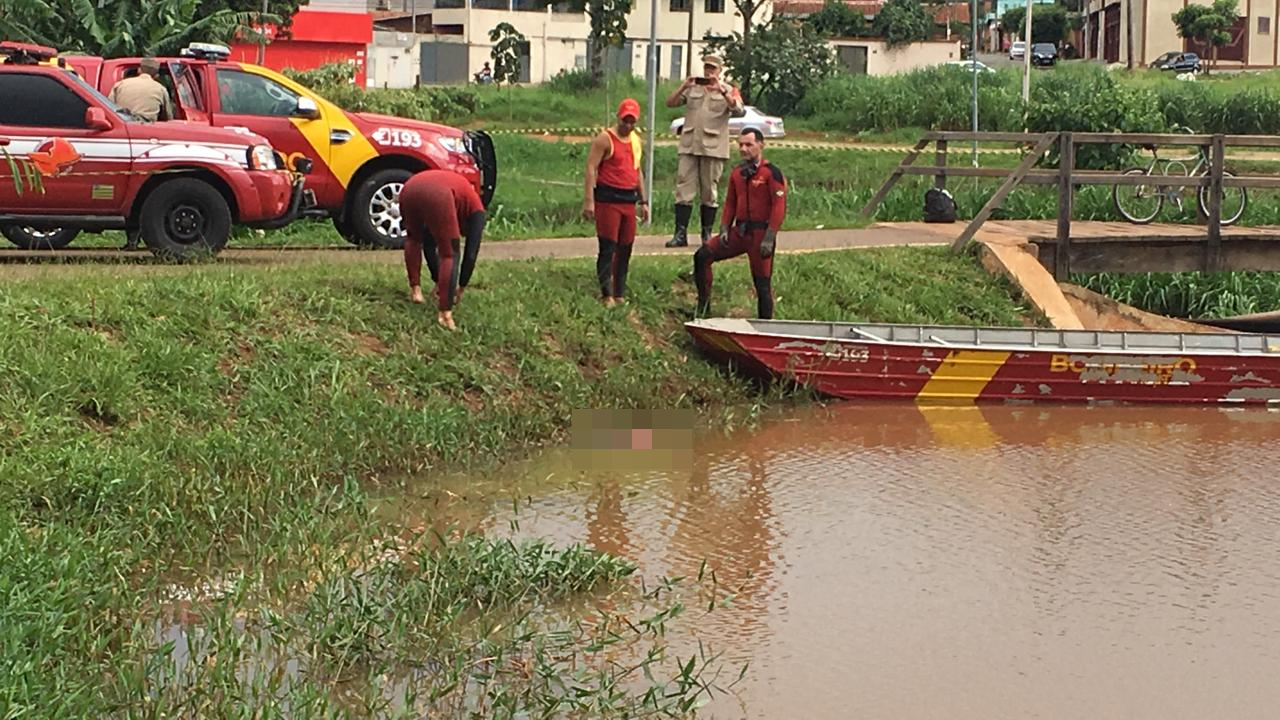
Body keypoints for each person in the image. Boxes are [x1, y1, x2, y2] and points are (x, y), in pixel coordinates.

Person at [694, 128, 786, 320]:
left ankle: (764, 328)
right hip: (740, 232)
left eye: (749, 144)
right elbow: (730, 203)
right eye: (740, 144)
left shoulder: (771, 173)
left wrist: (770, 237)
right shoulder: (737, 173)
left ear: (761, 145)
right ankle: (703, 308)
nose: (743, 149)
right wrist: (725, 228)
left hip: (761, 234)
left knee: (762, 284)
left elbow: (779, 206)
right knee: (702, 256)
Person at [664, 54, 744, 248]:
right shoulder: (693, 88)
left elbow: (739, 110)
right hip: (690, 144)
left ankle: (706, 235)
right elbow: (670, 103)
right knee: (684, 188)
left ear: (720, 70)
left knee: (709, 191)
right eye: (707, 68)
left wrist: (722, 92)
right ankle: (680, 234)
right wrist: (684, 86)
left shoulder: (729, 89)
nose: (709, 72)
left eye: (713, 68)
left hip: (714, 147)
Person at [398, 169, 487, 330]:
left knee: (413, 238)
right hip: (439, 195)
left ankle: (416, 292)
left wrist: (440, 281)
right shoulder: (477, 211)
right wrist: (460, 287)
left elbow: (429, 244)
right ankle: (445, 314)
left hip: (410, 187)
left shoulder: (462, 201)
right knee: (450, 254)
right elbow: (471, 253)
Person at [583, 98, 650, 308]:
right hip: (608, 199)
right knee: (608, 246)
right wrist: (589, 200)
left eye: (632, 122)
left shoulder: (636, 141)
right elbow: (591, 168)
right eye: (625, 121)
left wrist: (644, 200)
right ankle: (606, 294)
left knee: (626, 247)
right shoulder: (605, 139)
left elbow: (637, 171)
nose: (628, 125)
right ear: (618, 117)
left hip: (628, 200)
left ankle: (619, 292)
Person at [108, 57, 174, 123]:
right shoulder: (161, 89)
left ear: (139, 70)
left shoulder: (120, 84)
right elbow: (168, 118)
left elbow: (108, 107)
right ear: (156, 75)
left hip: (121, 124)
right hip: (146, 128)